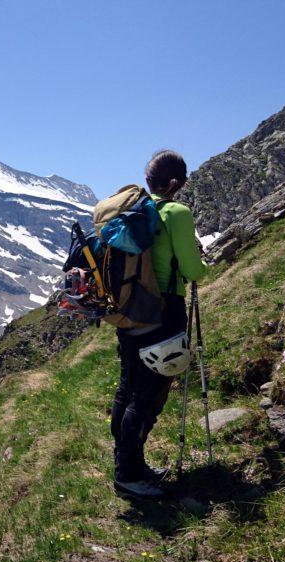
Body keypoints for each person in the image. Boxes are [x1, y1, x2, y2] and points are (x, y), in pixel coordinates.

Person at [110, 150, 208, 499]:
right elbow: (194, 271)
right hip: (163, 312)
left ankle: (129, 462)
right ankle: (127, 473)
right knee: (149, 393)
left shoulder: (130, 212)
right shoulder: (176, 213)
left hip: (128, 309)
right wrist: (201, 265)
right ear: (174, 183)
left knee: (129, 387)